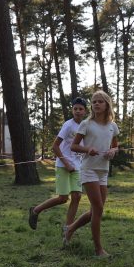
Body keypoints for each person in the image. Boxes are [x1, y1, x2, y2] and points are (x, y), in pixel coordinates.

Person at [63, 91, 120, 256]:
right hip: (88, 169)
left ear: (106, 104)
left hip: (103, 171)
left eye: (100, 102)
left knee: (97, 210)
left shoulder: (112, 126)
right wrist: (88, 149)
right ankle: (98, 250)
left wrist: (113, 151)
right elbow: (74, 146)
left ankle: (69, 229)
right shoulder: (86, 124)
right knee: (98, 208)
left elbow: (116, 146)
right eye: (94, 102)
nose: (96, 104)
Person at [28, 97, 88, 237]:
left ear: (85, 111)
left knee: (77, 196)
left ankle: (68, 229)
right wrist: (66, 163)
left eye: (81, 109)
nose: (78, 111)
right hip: (63, 165)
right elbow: (55, 146)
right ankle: (35, 210)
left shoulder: (86, 126)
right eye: (75, 109)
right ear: (72, 110)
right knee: (62, 198)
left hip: (77, 166)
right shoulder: (68, 125)